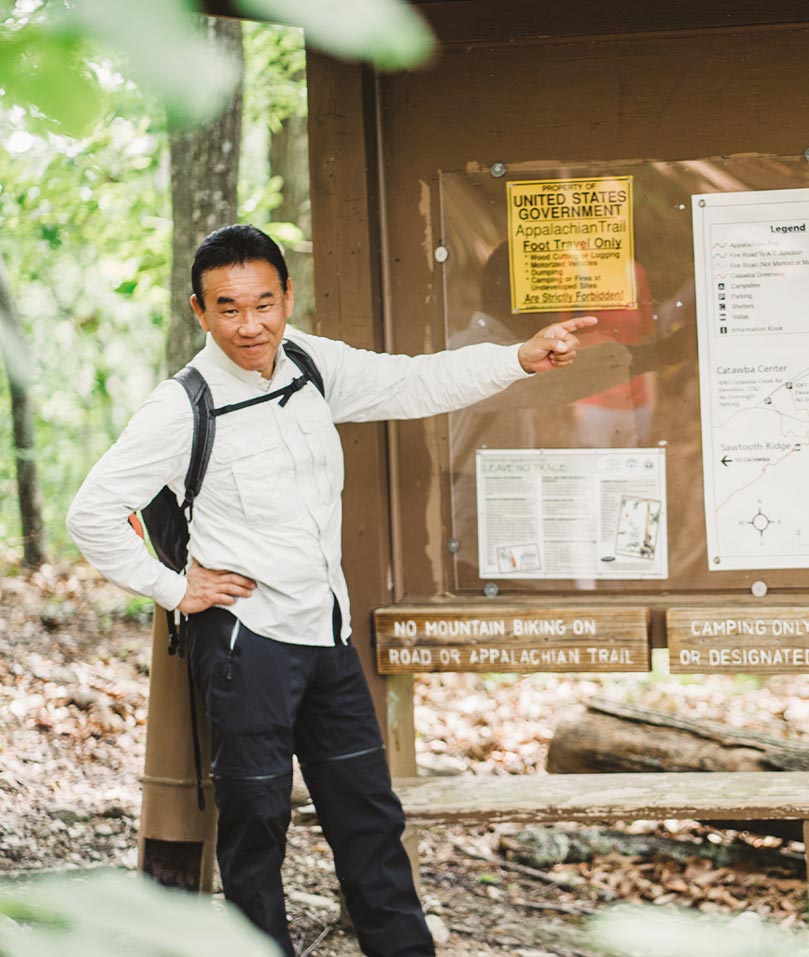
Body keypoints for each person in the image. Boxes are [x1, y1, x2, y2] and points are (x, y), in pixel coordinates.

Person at [66, 225, 596, 957]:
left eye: (263, 302)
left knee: (369, 817)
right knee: (256, 830)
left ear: (288, 296)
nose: (249, 324)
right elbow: (91, 510)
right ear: (200, 311)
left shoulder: (311, 362)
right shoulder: (182, 405)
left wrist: (517, 358)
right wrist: (172, 586)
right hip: (246, 644)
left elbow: (414, 381)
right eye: (227, 308)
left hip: (328, 636)